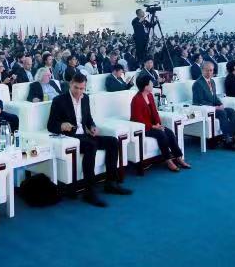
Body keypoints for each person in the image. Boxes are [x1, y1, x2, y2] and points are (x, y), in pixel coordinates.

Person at [47, 72, 132, 207]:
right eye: (76, 88)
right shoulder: (59, 100)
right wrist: (62, 126)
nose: (79, 91)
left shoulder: (85, 98)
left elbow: (88, 119)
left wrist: (92, 127)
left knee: (112, 141)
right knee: (91, 145)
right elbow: (51, 125)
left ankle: (110, 183)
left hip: (85, 136)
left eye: (82, 88)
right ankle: (89, 192)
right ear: (70, 84)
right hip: (71, 138)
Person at [130, 75, 190, 172]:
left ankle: (178, 158)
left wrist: (158, 124)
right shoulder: (136, 100)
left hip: (153, 125)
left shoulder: (150, 96)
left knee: (170, 133)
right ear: (145, 86)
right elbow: (138, 120)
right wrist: (154, 126)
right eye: (151, 83)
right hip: (143, 128)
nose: (152, 85)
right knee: (161, 135)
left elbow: (155, 112)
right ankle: (168, 161)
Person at [191, 61, 235, 150]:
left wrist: (220, 104)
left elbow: (214, 97)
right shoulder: (197, 84)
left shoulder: (212, 81)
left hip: (214, 108)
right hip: (205, 110)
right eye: (207, 70)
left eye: (211, 70)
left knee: (230, 111)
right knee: (222, 113)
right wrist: (214, 107)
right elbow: (198, 101)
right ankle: (227, 140)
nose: (209, 73)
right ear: (202, 70)